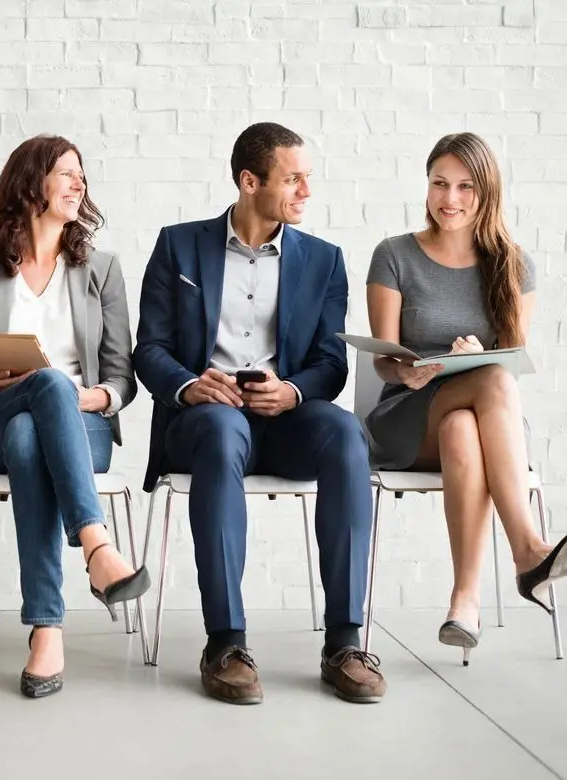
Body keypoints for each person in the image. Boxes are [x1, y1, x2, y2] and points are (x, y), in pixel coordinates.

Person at [133, 122, 384, 705]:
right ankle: (225, 642)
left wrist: (293, 391)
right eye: (292, 179)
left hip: (286, 418)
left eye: (307, 179)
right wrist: (190, 385)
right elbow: (149, 348)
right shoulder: (179, 245)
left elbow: (330, 361)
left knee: (346, 434)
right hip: (206, 419)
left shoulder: (324, 260)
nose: (305, 192)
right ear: (250, 182)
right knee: (223, 431)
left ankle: (345, 642)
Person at [364, 132, 567, 664]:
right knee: (488, 385)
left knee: (466, 424)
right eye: (440, 183)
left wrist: (479, 353)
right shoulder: (394, 255)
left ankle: (464, 602)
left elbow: (512, 361)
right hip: (406, 419)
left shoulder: (513, 265)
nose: (450, 198)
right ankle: (528, 549)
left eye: (465, 186)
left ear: (487, 192)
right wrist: (409, 371)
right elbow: (382, 360)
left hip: (476, 423)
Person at [0, 135, 147, 699]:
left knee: (32, 430)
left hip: (79, 427)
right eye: (64, 172)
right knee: (31, 406)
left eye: (81, 174)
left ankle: (46, 627)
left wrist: (92, 397)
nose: (78, 183)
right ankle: (97, 548)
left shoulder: (101, 270)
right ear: (30, 181)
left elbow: (120, 377)